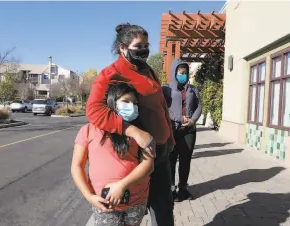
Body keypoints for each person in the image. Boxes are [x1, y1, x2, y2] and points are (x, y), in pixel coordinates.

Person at [86, 23, 175, 226]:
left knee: (164, 206)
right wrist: (133, 131)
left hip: (160, 150)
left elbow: (160, 105)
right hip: (138, 153)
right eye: (138, 46)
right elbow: (94, 110)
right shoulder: (112, 72)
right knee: (134, 209)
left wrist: (169, 137)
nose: (144, 50)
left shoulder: (147, 70)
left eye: (146, 45)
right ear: (123, 48)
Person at [71, 82, 154, 226]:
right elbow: (77, 166)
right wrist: (89, 196)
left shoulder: (140, 133)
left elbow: (148, 165)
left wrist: (121, 185)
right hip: (105, 204)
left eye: (134, 103)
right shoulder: (89, 130)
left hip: (136, 201)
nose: (131, 106)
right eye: (125, 101)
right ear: (112, 103)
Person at [162, 59, 202, 202]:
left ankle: (183, 188)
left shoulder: (193, 89)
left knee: (185, 160)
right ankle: (171, 189)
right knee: (171, 160)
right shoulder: (166, 89)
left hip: (189, 131)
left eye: (186, 73)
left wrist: (192, 120)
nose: (184, 75)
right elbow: (163, 108)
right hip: (172, 130)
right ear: (174, 73)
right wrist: (179, 118)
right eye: (181, 73)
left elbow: (199, 106)